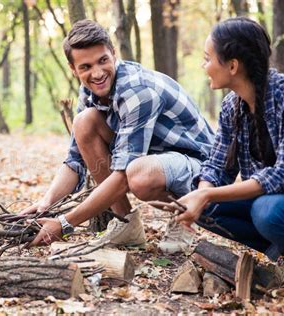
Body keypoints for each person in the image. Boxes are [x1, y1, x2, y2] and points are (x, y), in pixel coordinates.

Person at [24, 20, 214, 250]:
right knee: (84, 123)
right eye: (85, 67)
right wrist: (46, 203)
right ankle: (127, 226)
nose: (97, 73)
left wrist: (64, 223)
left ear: (113, 54)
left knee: (140, 175)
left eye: (103, 60)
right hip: (155, 161)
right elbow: (75, 161)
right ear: (73, 69)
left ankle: (183, 221)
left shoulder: (137, 91)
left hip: (201, 171)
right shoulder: (89, 91)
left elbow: (124, 175)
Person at [169, 17, 284, 290]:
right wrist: (200, 194)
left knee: (268, 210)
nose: (203, 66)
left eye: (208, 59)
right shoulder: (232, 105)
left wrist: (206, 194)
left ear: (232, 66)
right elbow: (217, 167)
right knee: (204, 203)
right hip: (278, 209)